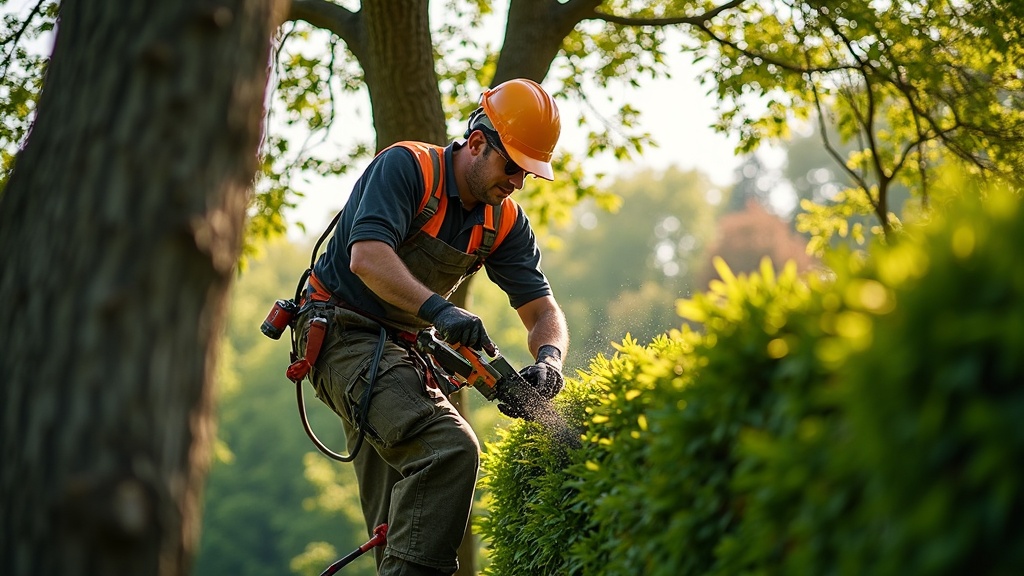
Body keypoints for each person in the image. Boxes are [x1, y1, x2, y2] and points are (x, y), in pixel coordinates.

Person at [298, 78, 570, 576]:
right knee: (449, 450)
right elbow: (367, 258)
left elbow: (543, 310)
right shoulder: (407, 168)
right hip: (340, 333)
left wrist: (549, 360)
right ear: (478, 142)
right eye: (512, 166)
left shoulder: (504, 221)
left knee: (400, 520)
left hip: (401, 350)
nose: (517, 182)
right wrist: (442, 312)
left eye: (528, 173)